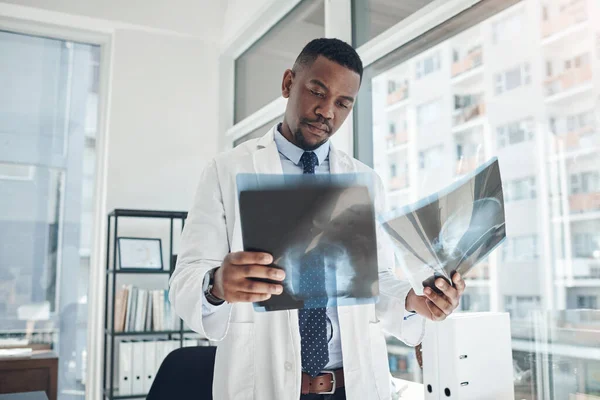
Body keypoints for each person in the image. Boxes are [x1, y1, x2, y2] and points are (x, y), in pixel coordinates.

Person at [169, 38, 466, 400]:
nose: (327, 112)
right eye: (317, 92)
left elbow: (377, 281)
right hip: (265, 387)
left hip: (352, 386)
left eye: (343, 103)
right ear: (287, 83)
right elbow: (185, 280)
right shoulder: (226, 171)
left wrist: (414, 300)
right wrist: (216, 285)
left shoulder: (364, 181)